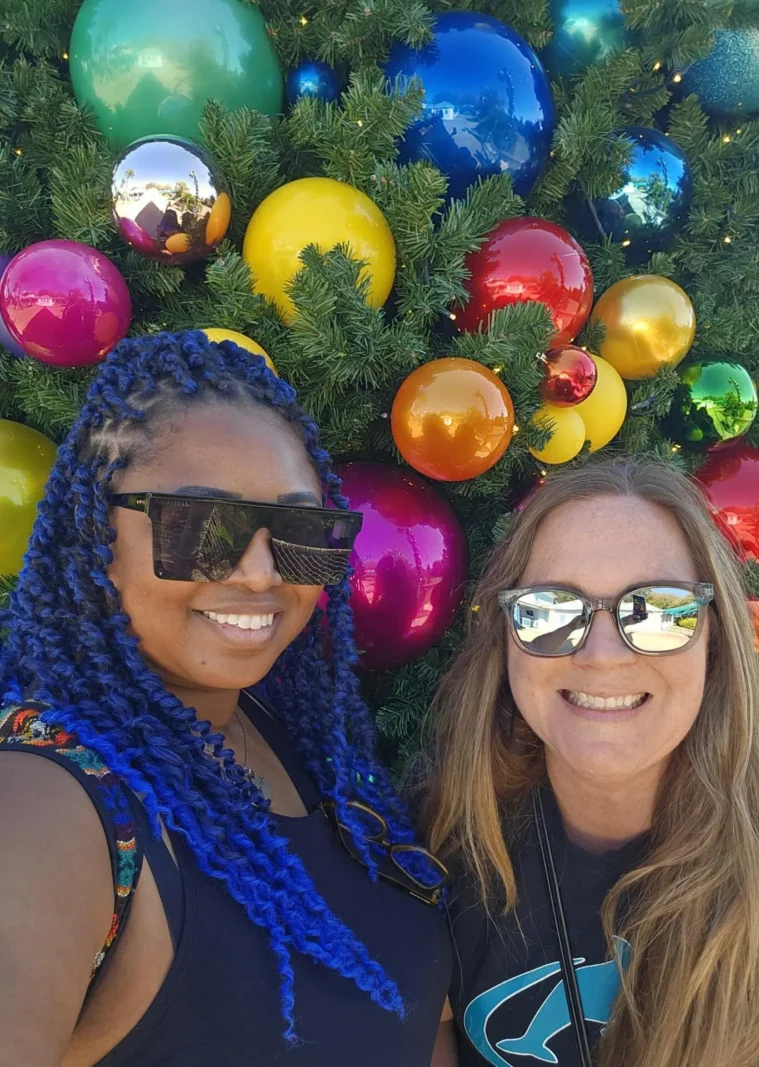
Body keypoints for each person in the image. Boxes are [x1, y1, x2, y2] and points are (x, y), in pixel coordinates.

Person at [0, 331, 451, 1067]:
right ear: (95, 534)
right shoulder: (44, 805)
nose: (260, 572)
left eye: (299, 529)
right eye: (201, 524)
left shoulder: (290, 737)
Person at [423, 457, 759, 1067]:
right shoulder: (435, 836)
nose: (603, 655)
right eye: (551, 608)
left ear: (715, 638)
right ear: (506, 636)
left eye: (660, 609)